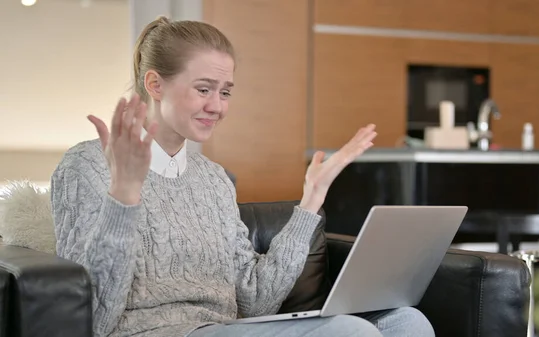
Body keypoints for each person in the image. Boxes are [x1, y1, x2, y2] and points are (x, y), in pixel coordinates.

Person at [50, 16, 435, 337]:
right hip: (151, 333)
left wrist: (310, 201)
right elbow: (95, 318)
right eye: (204, 89)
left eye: (226, 92)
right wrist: (124, 194)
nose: (217, 107)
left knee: (407, 323)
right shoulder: (87, 165)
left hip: (225, 329)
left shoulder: (214, 179)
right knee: (353, 333)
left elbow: (255, 303)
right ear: (155, 84)